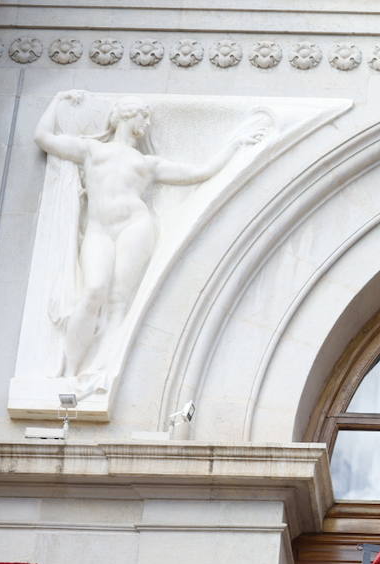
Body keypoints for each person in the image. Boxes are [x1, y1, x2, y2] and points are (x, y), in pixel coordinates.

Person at [33, 90, 267, 387]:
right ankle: (67, 374)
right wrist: (58, 100)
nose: (146, 122)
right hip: (99, 230)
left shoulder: (147, 164)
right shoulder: (92, 151)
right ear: (128, 115)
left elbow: (200, 172)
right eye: (144, 116)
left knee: (120, 301)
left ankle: (103, 369)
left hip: (135, 227)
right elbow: (43, 138)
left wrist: (236, 144)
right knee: (93, 291)